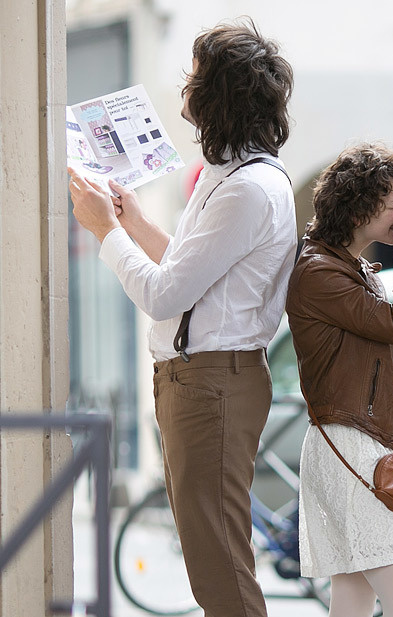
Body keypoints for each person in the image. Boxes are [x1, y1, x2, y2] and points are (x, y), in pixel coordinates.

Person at [67, 19, 295, 617]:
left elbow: (165, 296)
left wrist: (106, 232)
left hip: (212, 384)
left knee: (219, 565)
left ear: (216, 98)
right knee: (211, 560)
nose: (185, 89)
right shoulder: (229, 175)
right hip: (199, 381)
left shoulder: (249, 187)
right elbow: (192, 276)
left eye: (196, 79)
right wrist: (135, 223)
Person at [286, 142, 393, 617]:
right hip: (353, 444)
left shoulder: (351, 268)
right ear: (359, 209)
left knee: (352, 599)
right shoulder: (318, 274)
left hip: (360, 440)